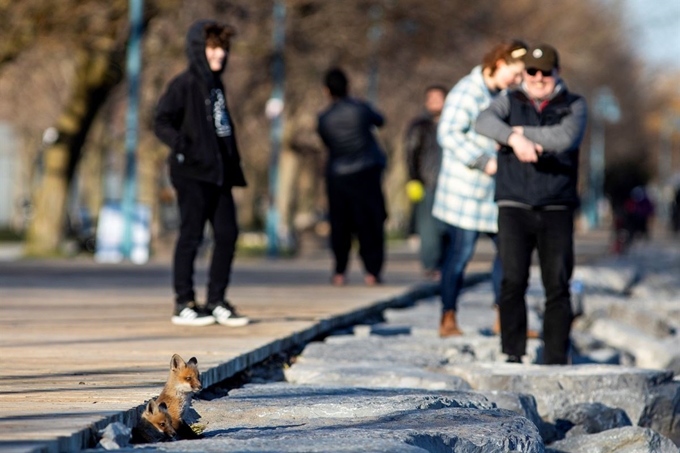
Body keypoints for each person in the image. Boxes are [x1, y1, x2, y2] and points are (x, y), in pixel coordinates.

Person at [475, 44, 588, 364]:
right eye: (532, 72)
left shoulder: (574, 104)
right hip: (514, 203)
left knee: (557, 284)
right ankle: (512, 352)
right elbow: (483, 122)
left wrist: (521, 131)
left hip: (556, 205)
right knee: (512, 280)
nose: (539, 78)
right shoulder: (508, 100)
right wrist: (514, 139)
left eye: (546, 72)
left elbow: (566, 138)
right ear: (524, 73)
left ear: (557, 73)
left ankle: (555, 357)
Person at [154, 20, 250, 327]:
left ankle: (216, 301)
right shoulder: (184, 84)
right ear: (199, 49)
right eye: (213, 48)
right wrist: (185, 146)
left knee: (227, 234)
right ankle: (184, 303)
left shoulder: (216, 86)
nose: (219, 54)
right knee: (191, 235)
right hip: (191, 172)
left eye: (223, 48)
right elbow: (161, 120)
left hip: (218, 174)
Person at [433, 40, 528, 337]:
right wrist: (481, 160)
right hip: (466, 192)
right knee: (459, 256)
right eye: (516, 73)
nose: (518, 80)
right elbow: (447, 133)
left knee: (508, 253)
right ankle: (447, 318)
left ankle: (505, 319)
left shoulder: (504, 94)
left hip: (496, 193)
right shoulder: (467, 90)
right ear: (499, 64)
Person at [317, 68, 387, 286]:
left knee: (340, 225)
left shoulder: (324, 118)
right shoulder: (361, 109)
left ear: (326, 91)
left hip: (338, 176)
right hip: (366, 173)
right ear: (348, 86)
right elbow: (380, 120)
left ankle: (339, 271)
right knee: (370, 224)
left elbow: (327, 142)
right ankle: (372, 272)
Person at [404, 85, 449, 280]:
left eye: (438, 98)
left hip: (451, 183)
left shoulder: (454, 122)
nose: (435, 103)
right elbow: (410, 152)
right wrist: (413, 179)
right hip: (427, 181)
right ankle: (430, 265)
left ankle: (446, 263)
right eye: (431, 99)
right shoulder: (419, 126)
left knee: (447, 228)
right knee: (428, 228)